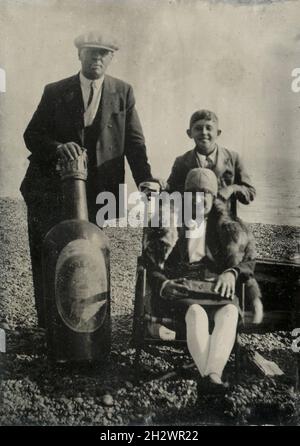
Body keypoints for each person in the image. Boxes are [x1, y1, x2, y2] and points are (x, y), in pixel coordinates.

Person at [20, 31, 154, 327]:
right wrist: (57, 147)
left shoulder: (123, 92)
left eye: (103, 53)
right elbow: (32, 135)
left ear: (111, 57)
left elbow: (134, 143)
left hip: (98, 191)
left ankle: (87, 324)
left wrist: (146, 179)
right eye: (91, 52)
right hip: (51, 188)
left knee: (89, 254)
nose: (97, 58)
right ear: (79, 54)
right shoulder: (55, 91)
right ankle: (49, 325)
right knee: (49, 252)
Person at [144, 168, 256, 390]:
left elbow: (249, 259)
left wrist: (231, 273)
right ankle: (212, 379)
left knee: (230, 312)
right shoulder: (169, 223)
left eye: (205, 193)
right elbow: (148, 263)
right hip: (180, 289)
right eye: (192, 192)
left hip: (216, 288)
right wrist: (163, 284)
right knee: (196, 313)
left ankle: (210, 379)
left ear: (213, 198)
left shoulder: (226, 226)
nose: (198, 198)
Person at [166, 109, 263, 324]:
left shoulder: (233, 158)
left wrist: (233, 189)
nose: (204, 133)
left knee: (236, 255)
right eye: (198, 128)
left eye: (209, 128)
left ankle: (247, 300)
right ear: (189, 133)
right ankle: (191, 303)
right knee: (192, 261)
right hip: (194, 224)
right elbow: (170, 193)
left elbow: (250, 192)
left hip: (224, 226)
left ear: (218, 132)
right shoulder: (182, 161)